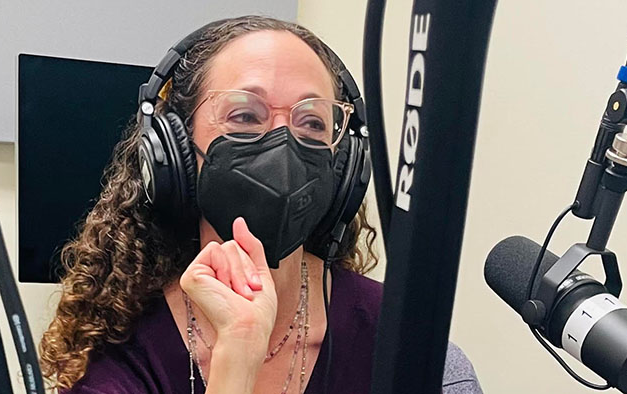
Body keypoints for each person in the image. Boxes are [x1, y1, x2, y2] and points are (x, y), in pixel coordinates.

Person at [39, 15, 482, 394]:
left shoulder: (403, 344)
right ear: (171, 150)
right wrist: (237, 356)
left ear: (343, 165)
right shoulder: (121, 351)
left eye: (312, 122)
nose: (284, 144)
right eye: (245, 116)